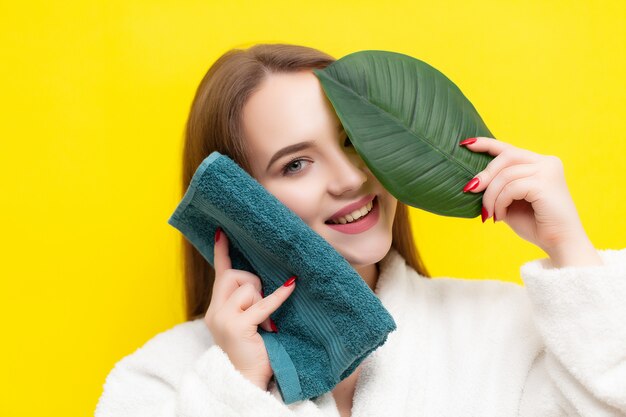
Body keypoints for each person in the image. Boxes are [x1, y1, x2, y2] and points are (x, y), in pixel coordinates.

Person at [94, 44, 626, 417]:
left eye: (353, 142)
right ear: (237, 203)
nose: (351, 178)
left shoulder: (505, 331)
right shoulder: (159, 381)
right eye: (296, 164)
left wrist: (570, 249)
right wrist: (239, 386)